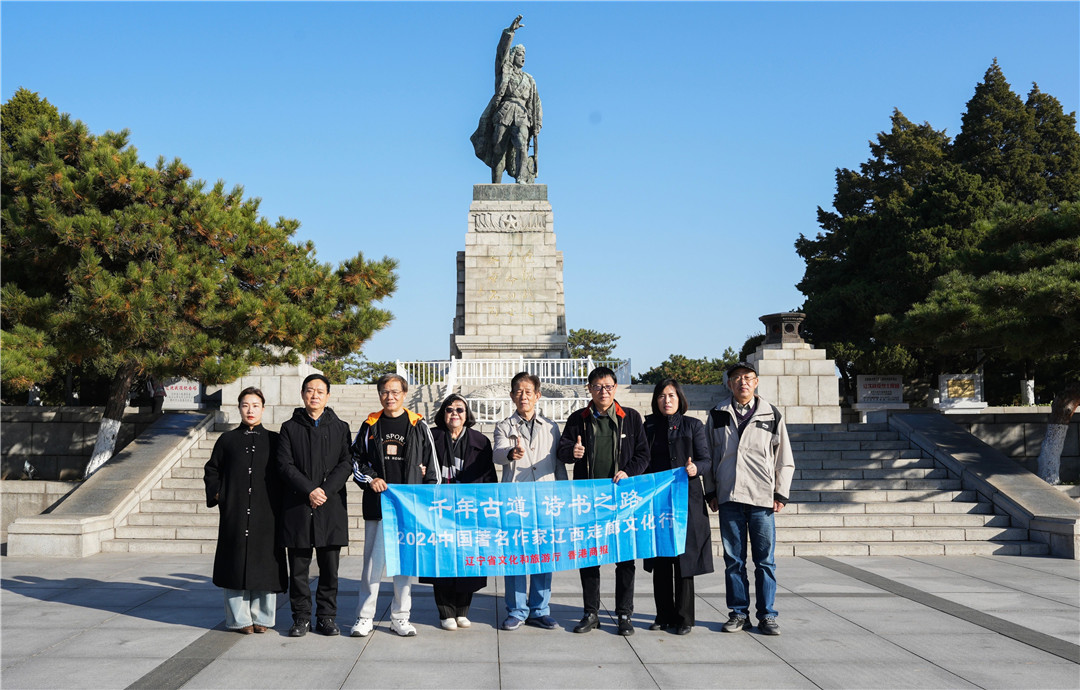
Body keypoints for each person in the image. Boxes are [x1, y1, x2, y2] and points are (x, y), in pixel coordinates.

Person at [557, 366, 649, 636]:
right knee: (589, 556)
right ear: (589, 389)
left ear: (615, 388)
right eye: (597, 387)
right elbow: (562, 450)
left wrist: (628, 471)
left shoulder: (630, 417)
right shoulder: (578, 418)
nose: (603, 391)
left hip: (623, 499)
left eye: (608, 386)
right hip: (589, 500)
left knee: (625, 559)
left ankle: (624, 614)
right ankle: (591, 613)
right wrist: (573, 452)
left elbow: (643, 454)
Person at [705, 362, 795, 636]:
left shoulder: (771, 414)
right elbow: (708, 456)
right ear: (729, 384)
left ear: (756, 382)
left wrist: (781, 493)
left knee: (765, 561)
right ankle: (738, 613)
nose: (742, 382)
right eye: (736, 378)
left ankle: (767, 615)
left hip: (761, 498)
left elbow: (784, 458)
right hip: (729, 496)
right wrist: (711, 491)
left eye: (748, 378)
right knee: (734, 560)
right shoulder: (717, 414)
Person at [350, 373, 439, 638]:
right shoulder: (370, 424)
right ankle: (364, 617)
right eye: (385, 392)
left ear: (405, 394)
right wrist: (371, 479)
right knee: (372, 566)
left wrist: (427, 502)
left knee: (404, 565)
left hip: (408, 509)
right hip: (378, 506)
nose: (390, 397)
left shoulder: (418, 425)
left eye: (395, 392)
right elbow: (355, 459)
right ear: (380, 395)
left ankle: (400, 617)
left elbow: (432, 467)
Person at [203, 387, 288, 634]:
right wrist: (219, 495)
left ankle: (263, 617)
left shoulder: (275, 440)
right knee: (235, 561)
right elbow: (212, 470)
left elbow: (285, 471)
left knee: (265, 563)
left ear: (263, 408)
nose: (250, 410)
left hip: (267, 512)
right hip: (235, 511)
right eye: (245, 405)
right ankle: (239, 619)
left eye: (255, 405)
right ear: (239, 408)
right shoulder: (227, 440)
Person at [277, 373, 354, 637]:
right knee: (298, 570)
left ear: (328, 396)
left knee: (330, 570)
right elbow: (284, 465)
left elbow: (346, 463)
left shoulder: (341, 427)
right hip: (298, 507)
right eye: (310, 390)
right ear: (302, 394)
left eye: (320, 391)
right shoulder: (289, 428)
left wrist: (325, 491)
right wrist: (309, 490)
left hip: (330, 507)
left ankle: (326, 618)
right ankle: (301, 618)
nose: (314, 395)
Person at [493, 371, 566, 631]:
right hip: (516, 499)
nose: (523, 396)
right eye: (518, 392)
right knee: (515, 555)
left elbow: (558, 463)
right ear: (512, 396)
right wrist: (510, 453)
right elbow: (497, 453)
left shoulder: (551, 426)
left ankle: (539, 609)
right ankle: (516, 610)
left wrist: (562, 494)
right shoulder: (504, 426)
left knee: (543, 554)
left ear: (537, 395)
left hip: (545, 498)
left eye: (528, 392)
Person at [642, 379, 713, 635]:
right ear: (656, 400)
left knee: (685, 561)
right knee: (661, 559)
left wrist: (696, 468)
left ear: (679, 398)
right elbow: (642, 460)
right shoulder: (649, 427)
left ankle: (684, 618)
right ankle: (663, 615)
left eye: (671, 395)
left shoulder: (693, 425)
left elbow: (706, 460)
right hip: (658, 502)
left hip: (687, 502)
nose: (667, 400)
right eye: (662, 396)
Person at [423, 394, 497, 630]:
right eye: (449, 409)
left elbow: (489, 476)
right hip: (439, 509)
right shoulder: (431, 437)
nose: (454, 413)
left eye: (459, 409)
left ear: (467, 415)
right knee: (443, 559)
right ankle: (445, 612)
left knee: (468, 558)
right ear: (442, 414)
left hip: (469, 509)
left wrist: (487, 507)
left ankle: (463, 610)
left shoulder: (480, 440)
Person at [470, 14, 543, 184]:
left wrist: (537, 122)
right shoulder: (504, 71)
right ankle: (496, 183)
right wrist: (510, 33)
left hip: (522, 114)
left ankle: (521, 178)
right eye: (519, 54)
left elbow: (536, 102)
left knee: (522, 145)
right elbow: (501, 52)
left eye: (524, 54)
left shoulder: (529, 79)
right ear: (512, 56)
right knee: (498, 148)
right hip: (504, 112)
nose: (523, 57)